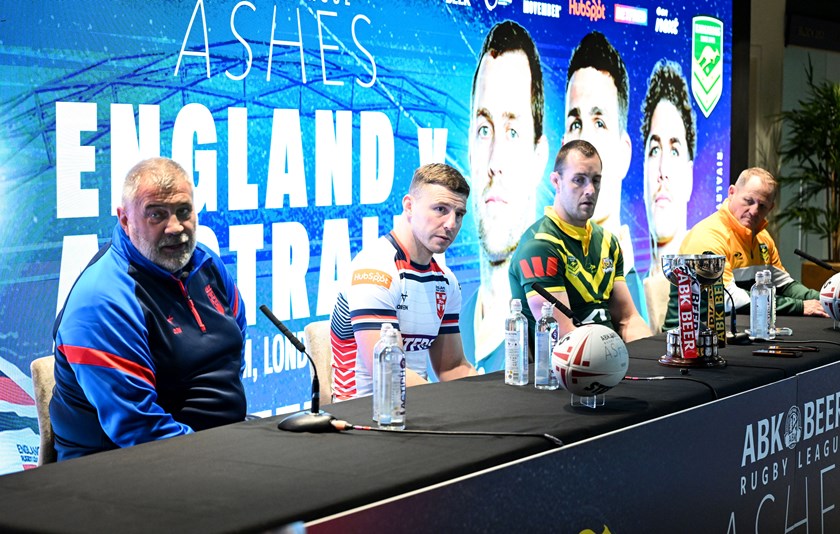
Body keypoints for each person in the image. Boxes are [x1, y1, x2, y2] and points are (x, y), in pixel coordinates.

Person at [51, 157, 247, 461]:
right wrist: (229, 459)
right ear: (125, 220)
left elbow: (233, 355)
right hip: (118, 472)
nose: (175, 227)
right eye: (156, 215)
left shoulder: (207, 264)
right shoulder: (102, 300)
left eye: (184, 212)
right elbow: (139, 429)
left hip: (212, 450)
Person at [331, 163, 476, 400]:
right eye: (441, 209)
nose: (451, 224)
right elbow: (388, 373)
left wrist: (489, 398)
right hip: (362, 418)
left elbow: (452, 367)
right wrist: (446, 404)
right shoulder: (374, 270)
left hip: (420, 411)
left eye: (459, 214)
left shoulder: (446, 282)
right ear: (409, 206)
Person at [461, 20, 549, 374]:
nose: (494, 161)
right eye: (484, 129)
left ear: (538, 158)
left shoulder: (554, 316)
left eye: (512, 131)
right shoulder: (449, 322)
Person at [509, 140, 651, 345]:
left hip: (610, 359)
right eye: (579, 180)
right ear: (556, 182)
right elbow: (564, 337)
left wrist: (654, 357)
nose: (590, 190)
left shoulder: (608, 242)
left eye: (596, 180)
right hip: (565, 368)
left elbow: (628, 319)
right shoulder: (539, 246)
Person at [663, 167, 828, 330]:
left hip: (734, 331)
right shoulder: (708, 237)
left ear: (770, 208)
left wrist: (825, 299)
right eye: (748, 201)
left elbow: (785, 285)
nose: (754, 211)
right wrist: (800, 306)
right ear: (731, 192)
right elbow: (730, 300)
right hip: (690, 339)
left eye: (762, 206)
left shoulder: (763, 238)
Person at [563, 31, 648, 324]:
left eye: (599, 122)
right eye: (576, 123)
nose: (584, 140)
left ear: (625, 154)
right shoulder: (542, 248)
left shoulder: (620, 256)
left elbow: (631, 323)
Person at [639, 60, 696, 332]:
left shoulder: (702, 282)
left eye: (674, 150)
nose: (662, 170)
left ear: (689, 177)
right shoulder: (625, 284)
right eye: (654, 150)